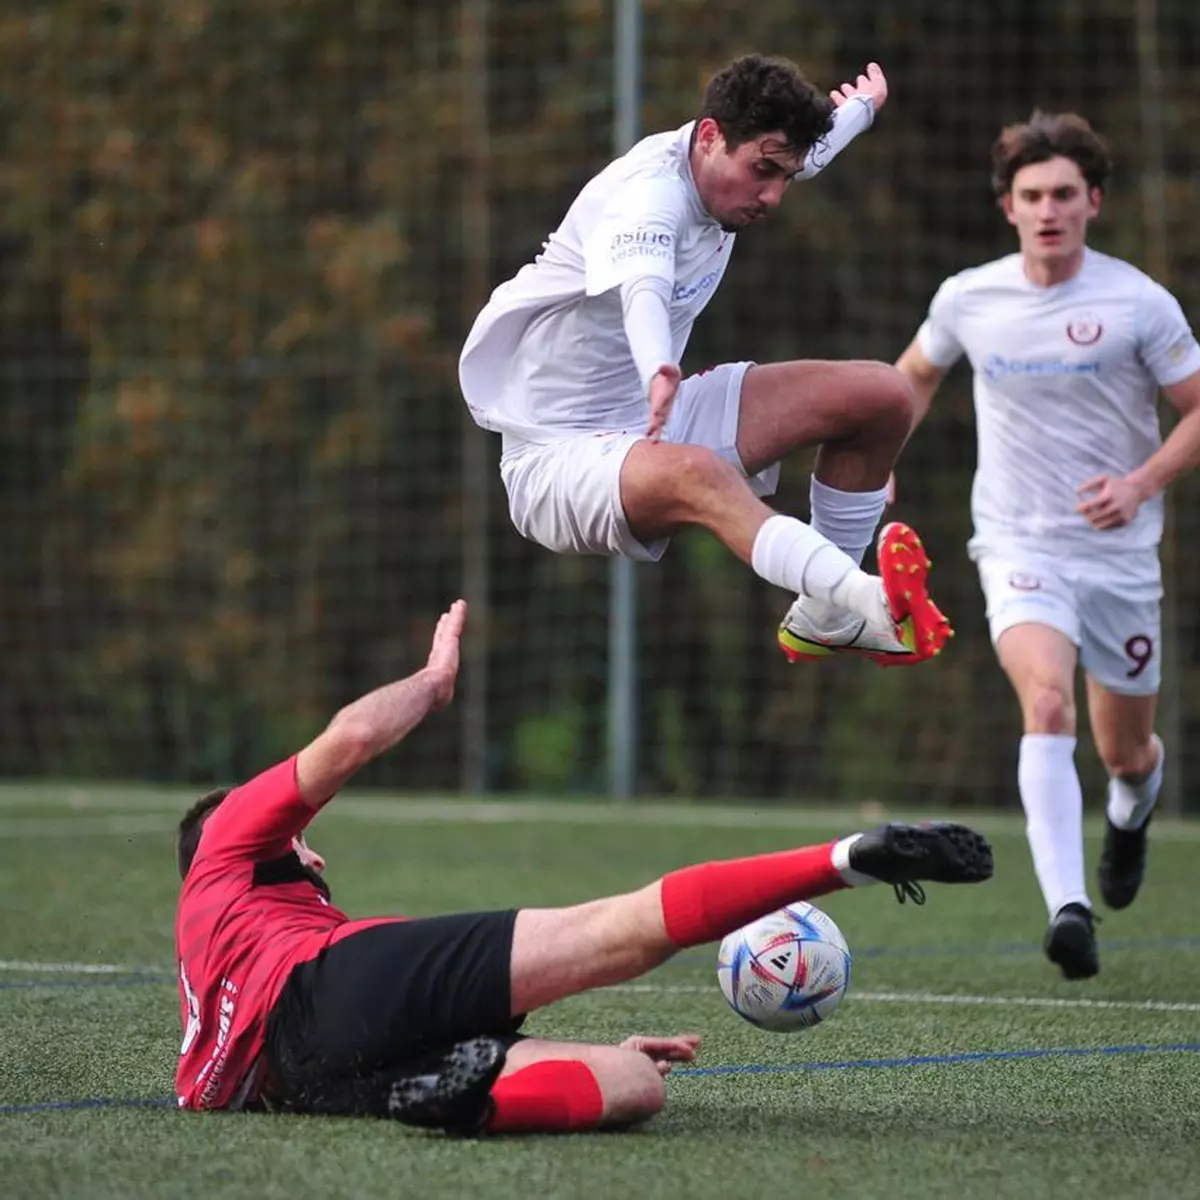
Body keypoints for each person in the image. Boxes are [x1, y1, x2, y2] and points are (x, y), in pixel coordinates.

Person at [175, 599, 994, 1134]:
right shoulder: (225, 845)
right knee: (617, 929)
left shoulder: (215, 978)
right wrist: (432, 683)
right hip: (320, 993)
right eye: (300, 843)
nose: (314, 850)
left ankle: (466, 1105)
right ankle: (849, 859)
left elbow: (263, 1067)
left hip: (311, 1080)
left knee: (635, 1082)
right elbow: (350, 738)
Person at [459, 54, 952, 668]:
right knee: (698, 473)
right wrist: (656, 369)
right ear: (711, 135)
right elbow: (644, 289)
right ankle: (866, 599)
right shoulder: (648, 194)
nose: (773, 196)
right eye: (763, 172)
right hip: (557, 458)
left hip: (655, 417)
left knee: (885, 396)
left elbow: (808, 153)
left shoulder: (746, 156)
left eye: (785, 177)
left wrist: (862, 109)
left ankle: (827, 619)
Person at [893, 111, 1200, 981]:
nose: (1048, 210)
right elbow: (912, 377)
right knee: (1048, 704)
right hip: (1018, 543)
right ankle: (1069, 909)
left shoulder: (1138, 303)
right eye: (1032, 195)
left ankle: (1132, 809)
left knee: (1125, 752)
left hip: (1118, 557)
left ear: (1093, 201)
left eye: (1065, 193)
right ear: (1009, 207)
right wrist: (880, 463)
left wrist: (1140, 484)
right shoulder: (969, 297)